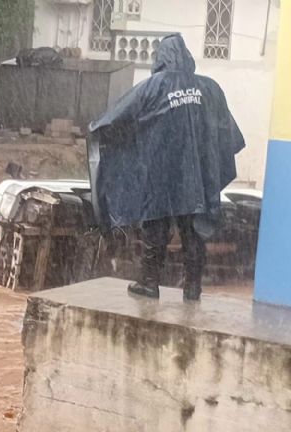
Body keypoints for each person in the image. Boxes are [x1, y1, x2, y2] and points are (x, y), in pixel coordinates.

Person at [89, 34, 245, 302]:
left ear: (160, 58)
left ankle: (150, 283)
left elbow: (118, 119)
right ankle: (193, 287)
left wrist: (96, 130)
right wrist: (208, 166)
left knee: (155, 228)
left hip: (161, 175)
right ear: (187, 57)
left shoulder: (153, 87)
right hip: (196, 178)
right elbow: (226, 133)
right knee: (193, 231)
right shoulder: (210, 89)